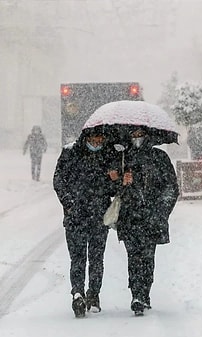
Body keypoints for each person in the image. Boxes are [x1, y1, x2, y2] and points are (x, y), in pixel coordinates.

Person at [53, 128, 118, 318]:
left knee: (97, 259)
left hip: (99, 217)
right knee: (78, 259)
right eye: (94, 138)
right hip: (76, 217)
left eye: (101, 138)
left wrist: (114, 179)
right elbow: (58, 180)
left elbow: (114, 189)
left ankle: (93, 294)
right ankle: (78, 293)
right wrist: (69, 203)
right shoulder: (70, 152)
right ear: (86, 137)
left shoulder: (109, 154)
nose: (97, 142)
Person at [116, 127, 179, 316]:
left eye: (140, 135)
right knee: (133, 257)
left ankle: (144, 293)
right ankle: (136, 294)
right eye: (133, 135)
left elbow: (171, 187)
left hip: (152, 218)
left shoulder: (159, 158)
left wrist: (160, 211)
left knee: (147, 258)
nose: (137, 139)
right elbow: (110, 186)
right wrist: (121, 181)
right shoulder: (122, 158)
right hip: (129, 217)